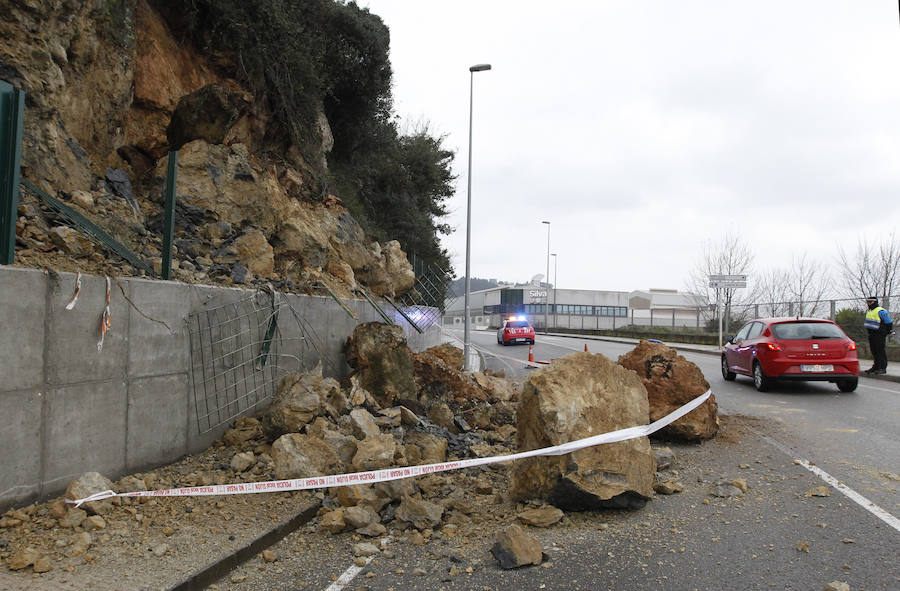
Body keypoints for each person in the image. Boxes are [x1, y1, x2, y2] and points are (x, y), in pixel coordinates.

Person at [863, 296, 893, 374]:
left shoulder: (881, 311)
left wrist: (888, 331)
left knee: (880, 351)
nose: (868, 303)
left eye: (870, 302)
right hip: (872, 334)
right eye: (868, 302)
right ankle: (876, 366)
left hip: (879, 334)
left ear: (875, 302)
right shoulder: (869, 311)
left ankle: (882, 368)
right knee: (874, 351)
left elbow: (888, 322)